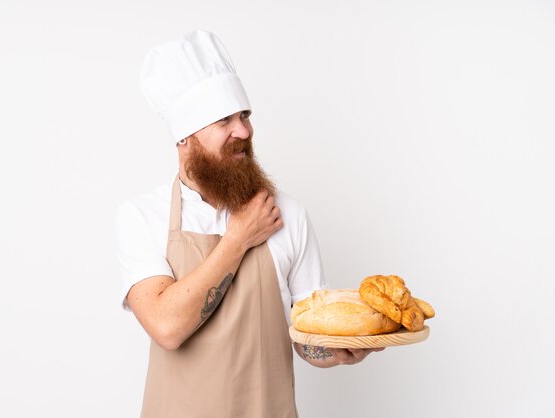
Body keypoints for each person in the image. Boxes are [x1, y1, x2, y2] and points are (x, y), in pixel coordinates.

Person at [116, 30, 383, 418]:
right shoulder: (142, 216)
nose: (243, 131)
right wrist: (238, 238)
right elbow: (166, 326)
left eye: (244, 115)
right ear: (185, 137)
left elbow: (307, 335)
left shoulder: (288, 214)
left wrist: (338, 351)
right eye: (224, 120)